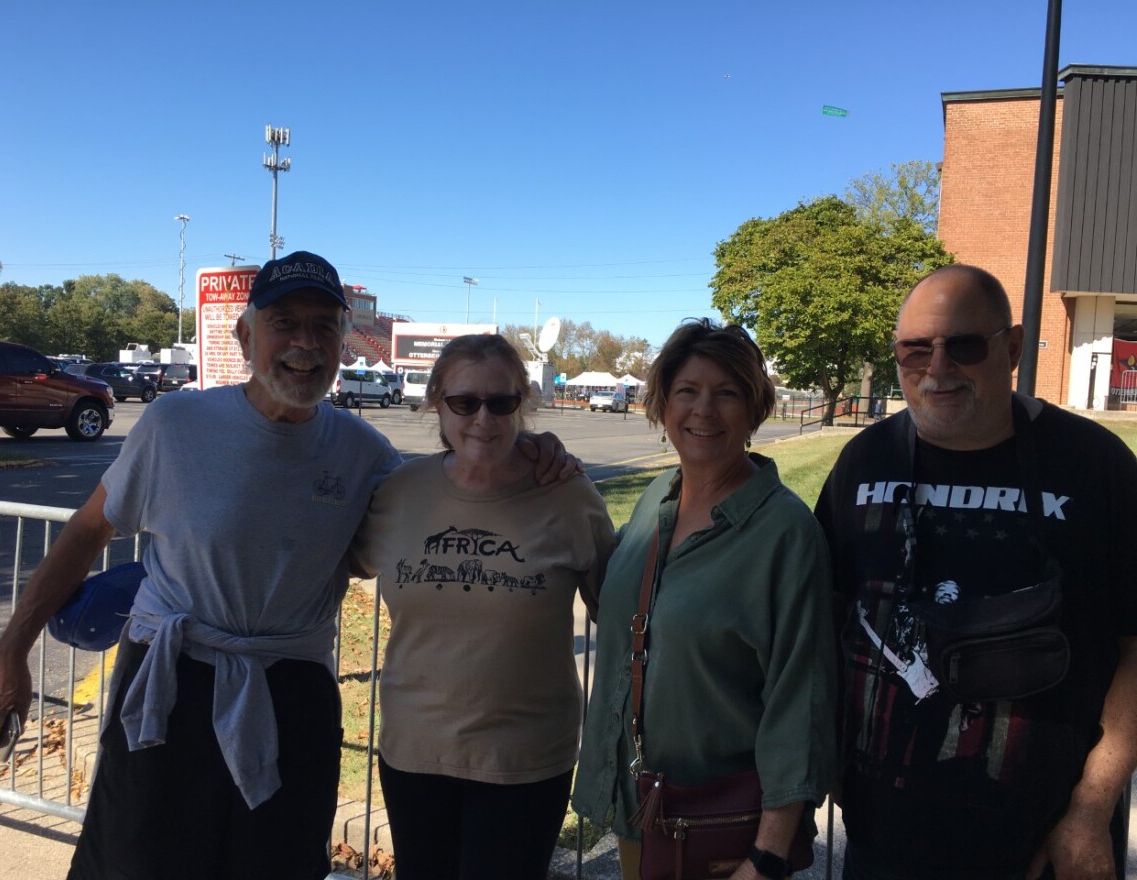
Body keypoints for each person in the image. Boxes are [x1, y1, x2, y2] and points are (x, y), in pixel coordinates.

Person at [0, 250, 577, 880]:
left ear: (345, 344)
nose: (305, 343)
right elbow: (84, 533)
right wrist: (9, 654)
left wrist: (524, 447)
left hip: (291, 696)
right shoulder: (173, 424)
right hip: (167, 686)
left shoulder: (364, 454)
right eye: (285, 322)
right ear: (245, 334)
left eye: (324, 326)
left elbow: (454, 485)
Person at [814, 264, 1137, 880]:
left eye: (963, 346)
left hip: (1045, 843)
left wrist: (1091, 811)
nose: (937, 369)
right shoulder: (865, 460)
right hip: (883, 840)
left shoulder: (1096, 467)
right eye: (914, 350)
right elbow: (823, 623)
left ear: (1011, 348)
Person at [573, 318, 837, 880]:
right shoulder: (653, 501)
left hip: (725, 828)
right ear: (663, 403)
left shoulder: (785, 534)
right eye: (687, 391)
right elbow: (622, 611)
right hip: (645, 810)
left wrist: (765, 858)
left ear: (754, 409)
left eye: (726, 394)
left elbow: (801, 703)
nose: (703, 411)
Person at [349, 333, 616, 880]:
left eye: (502, 402)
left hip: (525, 760)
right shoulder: (398, 494)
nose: (483, 419)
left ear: (524, 404)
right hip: (414, 755)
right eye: (464, 402)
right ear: (435, 405)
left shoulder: (567, 494)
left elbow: (617, 606)